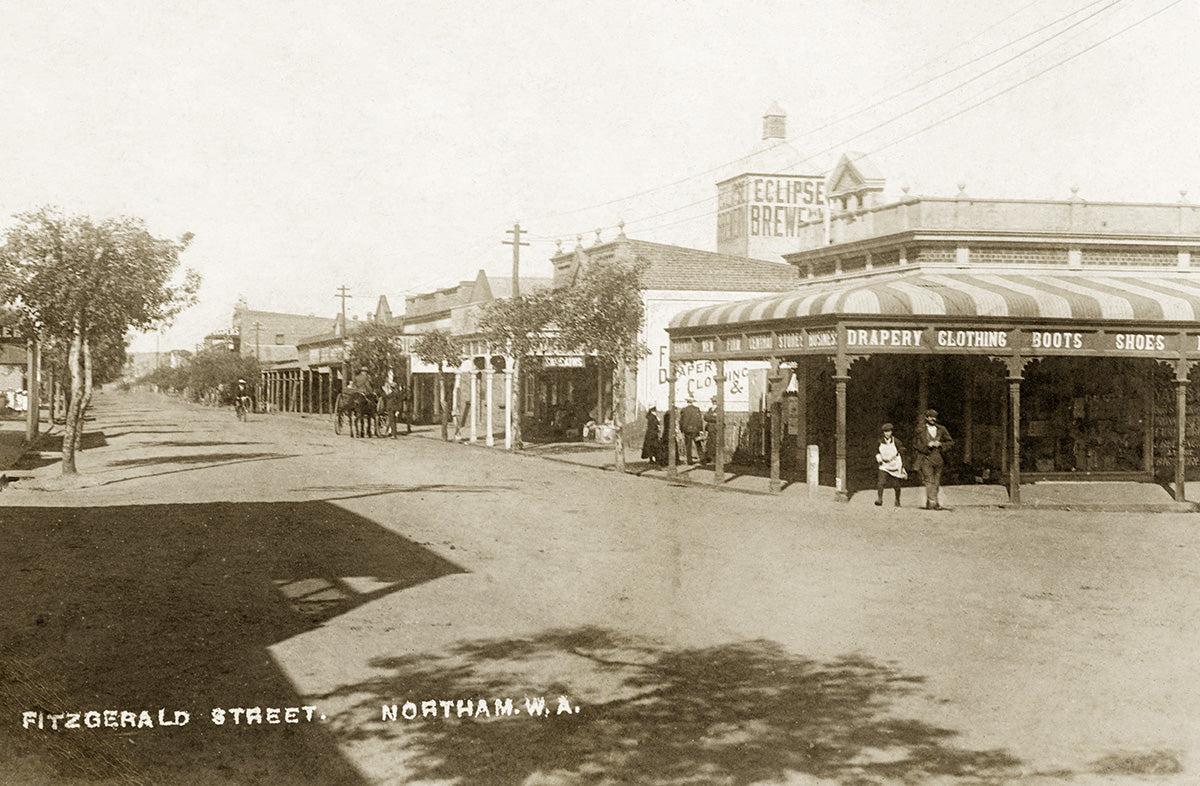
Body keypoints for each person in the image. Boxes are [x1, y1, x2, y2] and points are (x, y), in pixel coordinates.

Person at [914, 408, 954, 510]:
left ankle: (932, 502)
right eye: (930, 417)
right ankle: (932, 502)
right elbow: (915, 444)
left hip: (938, 458)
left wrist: (940, 444)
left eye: (934, 417)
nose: (932, 419)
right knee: (929, 480)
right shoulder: (920, 430)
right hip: (925, 458)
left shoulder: (941, 429)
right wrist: (927, 445)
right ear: (926, 418)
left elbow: (950, 442)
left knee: (936, 481)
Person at [874, 422, 906, 507]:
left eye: (889, 431)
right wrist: (879, 459)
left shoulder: (896, 441)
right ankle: (879, 499)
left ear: (892, 432)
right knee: (881, 482)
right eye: (885, 432)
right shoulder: (879, 441)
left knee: (896, 484)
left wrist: (901, 462)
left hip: (894, 464)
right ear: (883, 432)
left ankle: (897, 500)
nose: (887, 433)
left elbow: (902, 450)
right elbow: (876, 452)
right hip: (884, 464)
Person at [679, 396, 704, 465]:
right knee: (698, 445)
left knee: (688, 446)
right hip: (695, 430)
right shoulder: (696, 409)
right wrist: (701, 430)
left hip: (687, 430)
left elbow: (681, 421)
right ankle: (702, 459)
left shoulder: (684, 410)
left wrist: (681, 429)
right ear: (692, 402)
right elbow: (699, 420)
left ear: (687, 402)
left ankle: (689, 461)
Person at [702, 396, 719, 464]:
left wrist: (710, 417)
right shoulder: (710, 409)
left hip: (715, 429)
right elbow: (705, 417)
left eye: (715, 401)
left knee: (714, 443)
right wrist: (712, 417)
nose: (714, 402)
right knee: (709, 444)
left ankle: (714, 459)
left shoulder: (719, 409)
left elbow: (718, 419)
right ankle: (709, 458)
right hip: (709, 429)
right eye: (713, 401)